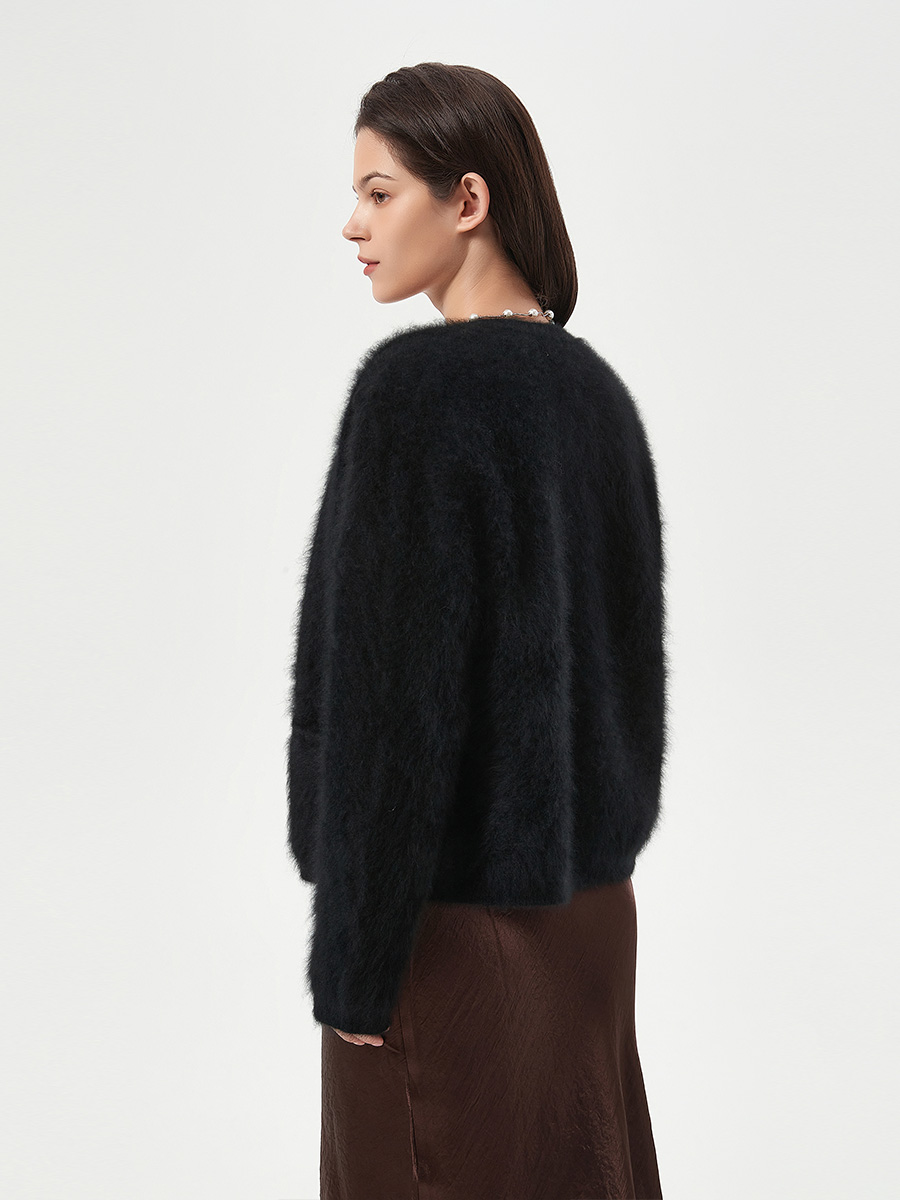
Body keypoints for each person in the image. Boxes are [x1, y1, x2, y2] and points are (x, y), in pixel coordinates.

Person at [286, 61, 667, 1200]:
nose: (352, 225)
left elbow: (393, 704)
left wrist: (357, 957)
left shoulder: (418, 395)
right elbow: (630, 688)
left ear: (468, 199)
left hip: (445, 937)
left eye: (379, 192)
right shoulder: (595, 396)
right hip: (588, 927)